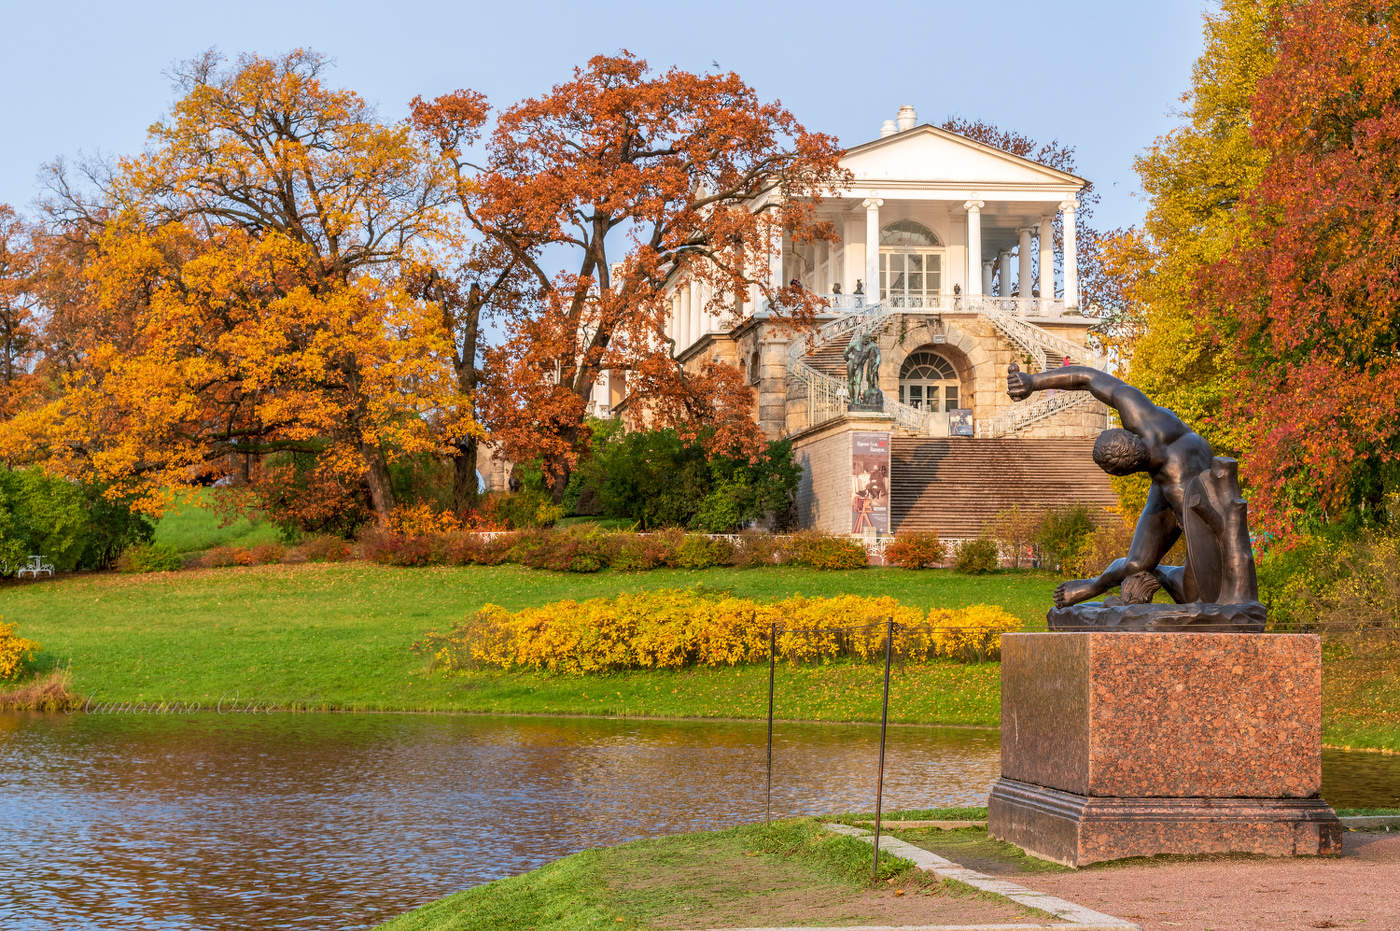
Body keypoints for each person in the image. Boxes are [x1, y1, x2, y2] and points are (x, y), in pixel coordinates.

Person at [1007, 362, 1258, 608]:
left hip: (1195, 493)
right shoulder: (1138, 412)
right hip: (1189, 466)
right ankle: (1104, 582)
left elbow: (1206, 543)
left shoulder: (1178, 492)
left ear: (1127, 472)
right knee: (1136, 565)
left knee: (1191, 596)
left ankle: (1150, 575)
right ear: (1128, 432)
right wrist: (1033, 382)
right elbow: (1087, 377)